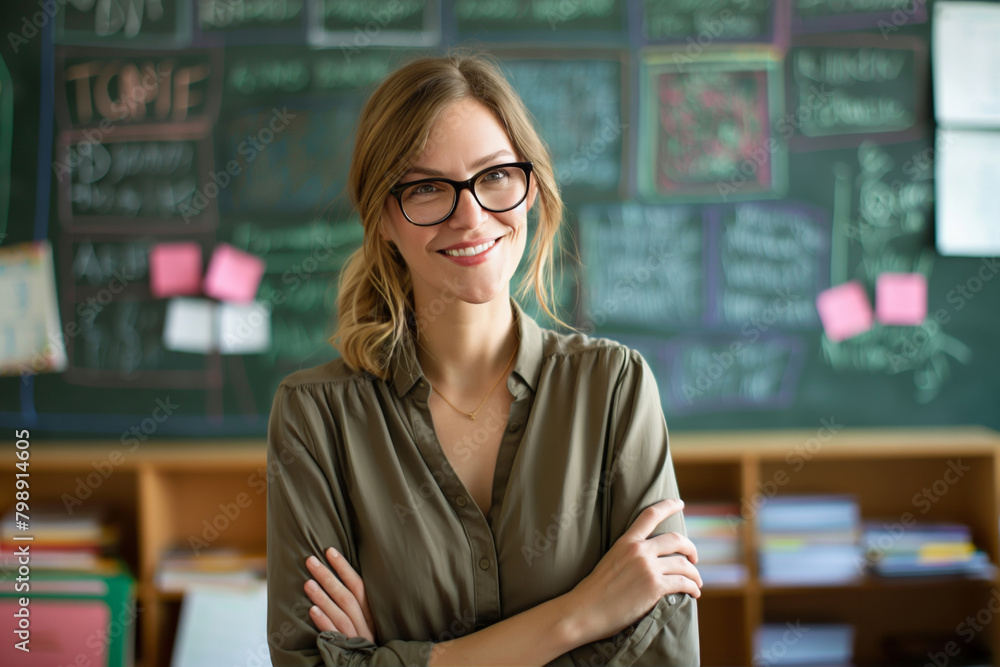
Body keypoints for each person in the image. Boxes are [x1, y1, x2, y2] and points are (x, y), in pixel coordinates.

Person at [266, 51, 702, 667]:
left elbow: (664, 653)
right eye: (425, 188)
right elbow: (309, 662)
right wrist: (582, 614)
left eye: (496, 175)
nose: (471, 216)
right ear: (383, 219)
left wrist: (396, 657)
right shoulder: (316, 417)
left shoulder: (612, 386)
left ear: (531, 188)